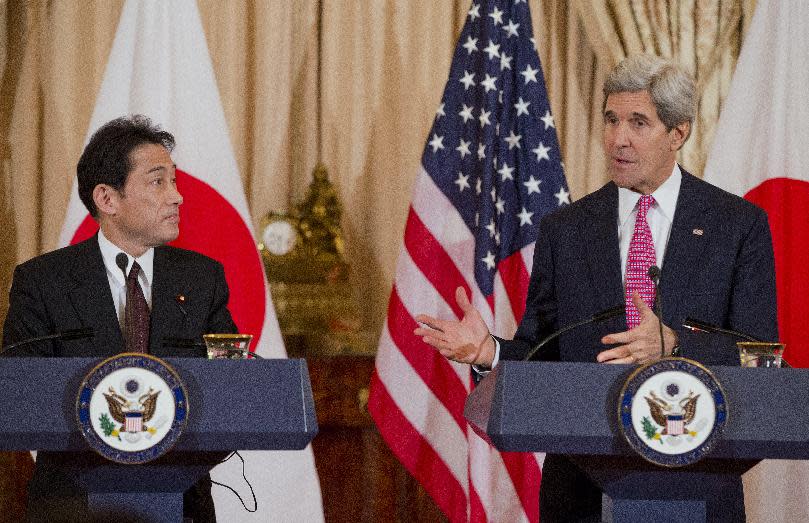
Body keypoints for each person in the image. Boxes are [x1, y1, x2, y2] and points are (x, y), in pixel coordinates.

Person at [414, 54, 778, 522]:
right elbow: (543, 354)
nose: (618, 138)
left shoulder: (736, 225)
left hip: (699, 482)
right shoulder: (566, 229)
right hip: (581, 493)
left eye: (638, 122)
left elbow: (759, 351)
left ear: (678, 133)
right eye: (611, 120)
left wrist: (675, 343)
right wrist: (490, 353)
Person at [2, 115, 236, 522]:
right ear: (107, 199)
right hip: (70, 506)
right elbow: (20, 393)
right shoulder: (43, 282)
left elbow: (234, 381)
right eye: (158, 181)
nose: (177, 196)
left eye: (175, 181)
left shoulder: (202, 279)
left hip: (182, 504)